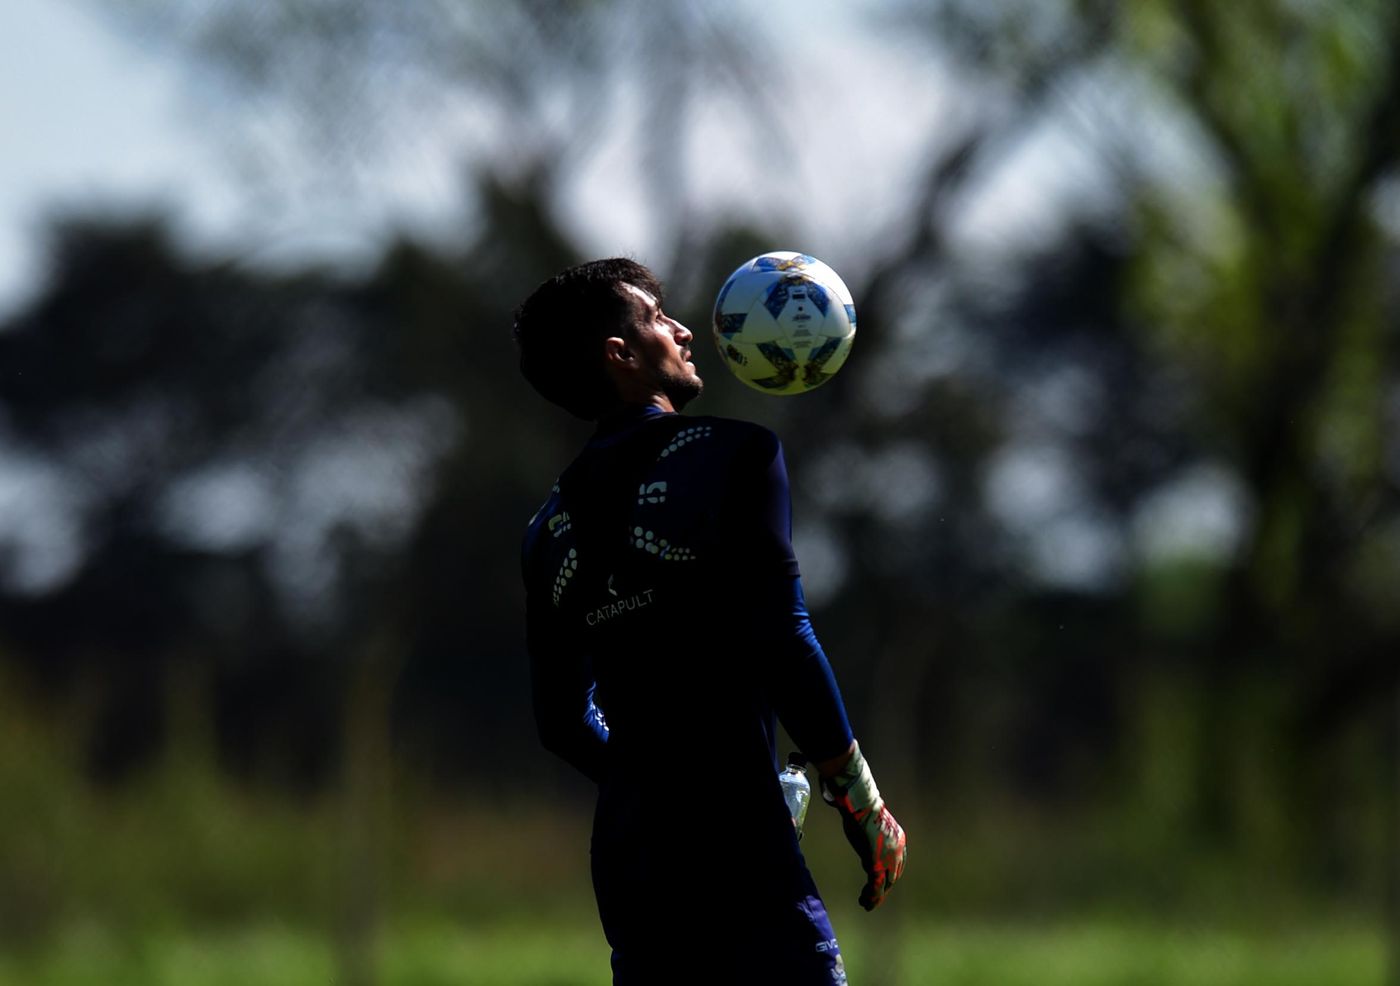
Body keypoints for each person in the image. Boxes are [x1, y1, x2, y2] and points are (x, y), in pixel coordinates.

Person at [514, 258, 905, 984]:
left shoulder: (547, 529)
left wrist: (658, 784)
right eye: (659, 319)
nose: (685, 331)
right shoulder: (736, 456)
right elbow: (783, 635)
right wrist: (859, 800)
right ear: (620, 354)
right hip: (744, 848)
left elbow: (562, 723)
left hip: (631, 861)